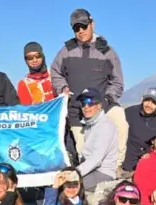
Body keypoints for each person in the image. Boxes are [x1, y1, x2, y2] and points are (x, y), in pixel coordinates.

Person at [51, 8, 128, 169]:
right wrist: (63, 88)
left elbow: (117, 82)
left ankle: (117, 166)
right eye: (76, 28)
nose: (80, 31)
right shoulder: (65, 51)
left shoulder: (107, 51)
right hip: (77, 110)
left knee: (121, 121)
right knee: (83, 151)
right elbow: (55, 73)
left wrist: (107, 100)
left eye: (84, 26)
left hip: (104, 106)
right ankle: (88, 179)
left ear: (92, 24)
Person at [74, 88, 118, 190]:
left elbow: (96, 159)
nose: (86, 107)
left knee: (70, 187)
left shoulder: (105, 126)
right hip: (91, 170)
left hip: (103, 173)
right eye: (83, 103)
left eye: (90, 103)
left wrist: (75, 173)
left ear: (99, 105)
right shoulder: (90, 124)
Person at [121, 87, 156, 175]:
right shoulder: (129, 112)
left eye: (154, 102)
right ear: (142, 99)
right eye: (147, 100)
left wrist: (150, 153)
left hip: (147, 163)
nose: (149, 105)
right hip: (126, 162)